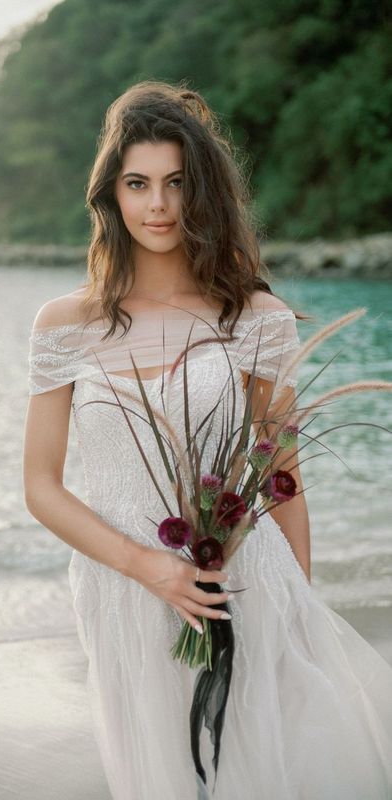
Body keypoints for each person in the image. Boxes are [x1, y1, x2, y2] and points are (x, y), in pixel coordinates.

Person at [23, 81, 392, 799]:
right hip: (120, 591)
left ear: (204, 194)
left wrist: (298, 624)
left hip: (241, 586)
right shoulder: (62, 324)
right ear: (112, 195)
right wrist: (145, 566)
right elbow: (40, 485)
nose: (158, 205)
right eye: (138, 183)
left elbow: (281, 476)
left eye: (177, 183)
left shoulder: (255, 316)